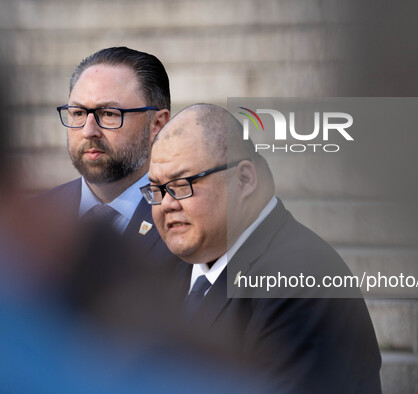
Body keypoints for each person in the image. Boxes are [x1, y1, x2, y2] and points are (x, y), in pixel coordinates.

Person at [144, 103, 382, 393]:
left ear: (244, 180)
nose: (167, 204)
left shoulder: (301, 276)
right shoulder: (166, 268)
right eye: (156, 190)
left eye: (182, 184)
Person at [41, 46, 179, 275]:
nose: (88, 130)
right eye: (78, 113)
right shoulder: (33, 219)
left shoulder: (191, 223)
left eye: (109, 114)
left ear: (157, 125)